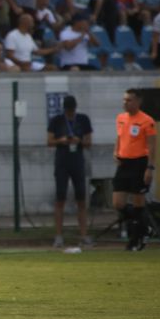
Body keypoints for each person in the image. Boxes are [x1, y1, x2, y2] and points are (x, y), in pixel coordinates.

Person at [113, 89, 157, 251]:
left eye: (129, 100)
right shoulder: (120, 118)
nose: (125, 103)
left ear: (138, 102)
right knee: (118, 203)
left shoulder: (147, 121)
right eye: (124, 100)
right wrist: (115, 151)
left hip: (139, 163)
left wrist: (150, 168)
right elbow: (119, 136)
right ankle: (145, 227)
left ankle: (135, 239)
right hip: (124, 163)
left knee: (138, 203)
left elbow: (152, 145)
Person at [47, 96, 93, 249]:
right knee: (60, 198)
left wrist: (78, 141)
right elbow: (49, 141)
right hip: (62, 161)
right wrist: (62, 141)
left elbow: (88, 142)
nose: (70, 112)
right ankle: (59, 236)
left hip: (77, 161)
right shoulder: (57, 120)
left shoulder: (83, 119)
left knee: (81, 199)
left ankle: (84, 235)